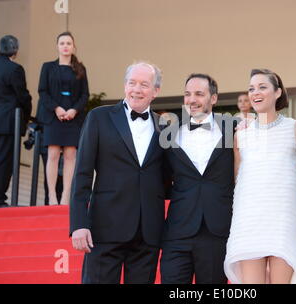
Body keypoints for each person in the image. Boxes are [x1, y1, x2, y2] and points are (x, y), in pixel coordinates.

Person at [70, 62, 166, 284]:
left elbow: (168, 177)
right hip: (104, 229)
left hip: (147, 233)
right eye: (132, 83)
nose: (137, 89)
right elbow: (82, 173)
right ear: (125, 86)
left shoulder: (165, 126)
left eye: (144, 84)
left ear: (156, 91)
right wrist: (78, 224)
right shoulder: (99, 117)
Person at [224, 69, 296, 284]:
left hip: (284, 218)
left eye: (263, 87)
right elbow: (236, 179)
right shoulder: (241, 134)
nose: (255, 93)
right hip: (249, 219)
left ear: (278, 92)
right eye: (252, 88)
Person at [160, 73, 236, 284]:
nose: (191, 100)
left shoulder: (234, 128)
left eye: (199, 94)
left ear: (213, 98)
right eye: (187, 94)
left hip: (217, 230)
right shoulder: (169, 132)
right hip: (177, 230)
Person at [37, 32, 89, 205]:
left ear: (73, 46)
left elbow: (84, 94)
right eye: (62, 43)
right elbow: (42, 92)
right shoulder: (47, 67)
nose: (65, 46)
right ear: (57, 46)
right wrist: (56, 108)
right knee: (52, 154)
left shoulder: (80, 68)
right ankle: (52, 196)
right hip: (53, 117)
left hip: (73, 118)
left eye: (68, 43)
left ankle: (66, 196)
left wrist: (74, 110)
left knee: (70, 155)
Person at [0, 35, 32, 208]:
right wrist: (27, 116)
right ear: (15, 51)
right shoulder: (15, 69)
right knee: (3, 162)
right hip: (7, 123)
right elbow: (23, 96)